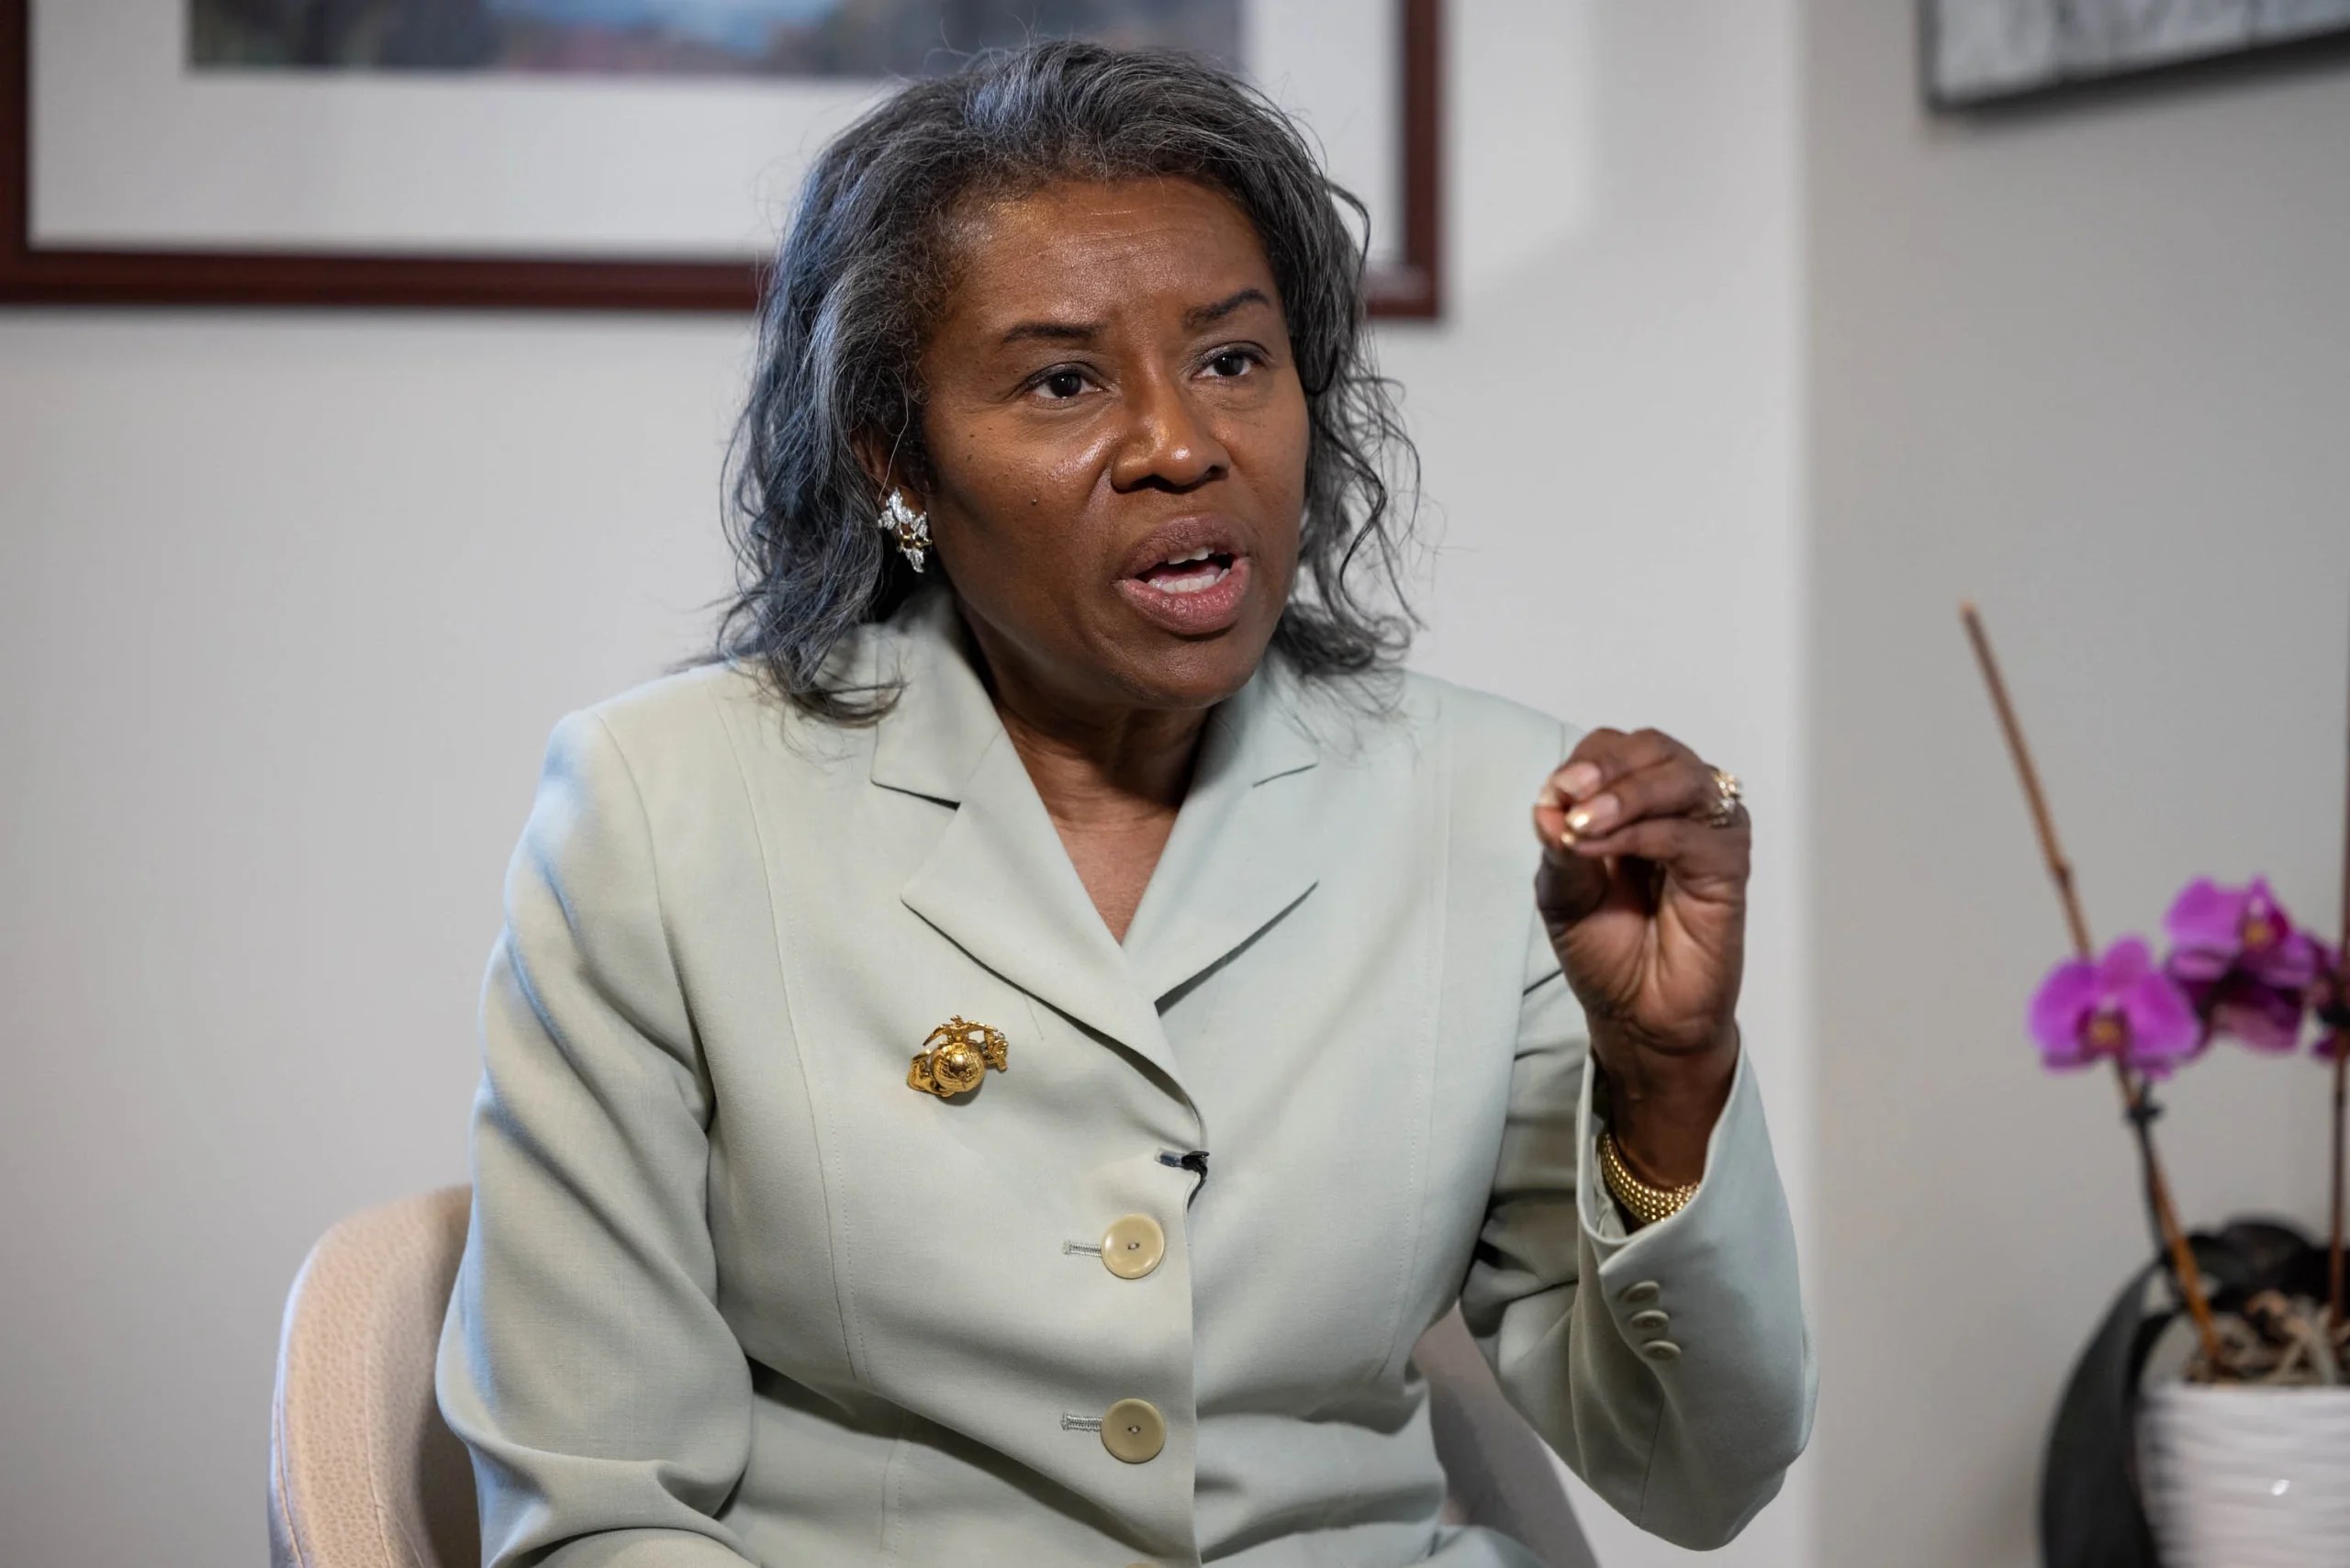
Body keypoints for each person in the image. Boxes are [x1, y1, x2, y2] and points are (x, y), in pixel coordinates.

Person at [434, 40, 1813, 1568]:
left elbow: (1702, 1477)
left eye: (1233, 358)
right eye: (1064, 380)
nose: (1181, 443)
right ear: (900, 459)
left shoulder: (1507, 811)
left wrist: (1669, 1080)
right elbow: (599, 1513)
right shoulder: (661, 811)